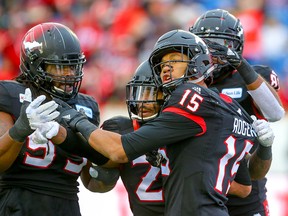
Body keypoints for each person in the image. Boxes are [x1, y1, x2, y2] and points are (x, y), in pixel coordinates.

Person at [28, 29, 275, 216]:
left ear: (199, 62)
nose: (166, 70)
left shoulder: (189, 97)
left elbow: (119, 150)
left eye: (174, 61)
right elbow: (243, 185)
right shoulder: (229, 107)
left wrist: (74, 118)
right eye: (163, 65)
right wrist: (264, 147)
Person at [0, 22, 115, 216]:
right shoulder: (10, 94)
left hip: (67, 205)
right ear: (35, 65)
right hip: (18, 202)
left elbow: (92, 182)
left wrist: (107, 170)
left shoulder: (87, 106)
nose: (69, 74)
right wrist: (20, 129)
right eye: (59, 67)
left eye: (73, 66)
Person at [189, 8, 285, 216]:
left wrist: (240, 64)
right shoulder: (187, 79)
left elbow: (275, 113)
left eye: (222, 44)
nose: (213, 52)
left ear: (237, 46)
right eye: (206, 44)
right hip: (199, 184)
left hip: (244, 181)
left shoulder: (253, 75)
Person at [90, 59, 166, 216]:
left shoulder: (184, 128)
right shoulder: (120, 128)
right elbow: (96, 185)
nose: (143, 101)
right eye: (139, 92)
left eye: (151, 92)